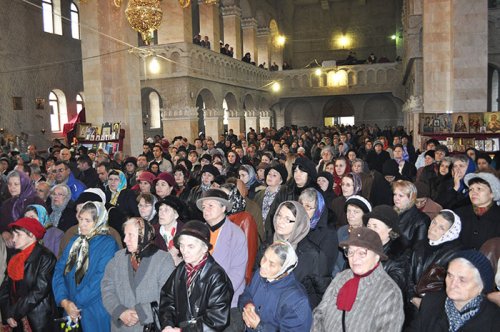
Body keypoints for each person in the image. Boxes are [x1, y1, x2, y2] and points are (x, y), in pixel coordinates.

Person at [312, 227, 404, 331]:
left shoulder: (390, 292)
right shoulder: (341, 278)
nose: (354, 258)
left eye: (362, 253)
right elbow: (319, 313)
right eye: (350, 252)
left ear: (377, 256)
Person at [53, 201, 119, 332]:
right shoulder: (75, 241)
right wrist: (64, 301)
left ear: (99, 220)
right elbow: (59, 270)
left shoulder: (108, 244)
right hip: (70, 308)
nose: (82, 224)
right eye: (80, 219)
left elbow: (100, 278)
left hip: (94, 309)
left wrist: (75, 303)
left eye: (87, 221)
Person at [101, 217, 175, 332]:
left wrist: (140, 313)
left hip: (148, 326)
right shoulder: (118, 258)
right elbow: (107, 288)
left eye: (131, 235)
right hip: (121, 326)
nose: (125, 240)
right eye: (125, 235)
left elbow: (167, 296)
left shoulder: (163, 259)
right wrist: (119, 311)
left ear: (144, 235)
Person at [159, 220, 234, 331]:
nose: (184, 251)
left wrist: (183, 331)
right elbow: (167, 298)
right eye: (182, 245)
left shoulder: (217, 277)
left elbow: (216, 319)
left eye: (191, 246)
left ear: (204, 248)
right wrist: (168, 324)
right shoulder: (181, 269)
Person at [409, 250, 500, 331]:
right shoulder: (431, 302)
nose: (453, 284)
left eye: (462, 279)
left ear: (481, 287)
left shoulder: (494, 320)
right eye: (450, 276)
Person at [196, 189, 247, 327]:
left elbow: (237, 273)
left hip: (228, 302)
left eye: (210, 205)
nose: (206, 210)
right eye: (204, 207)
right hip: (200, 301)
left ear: (223, 207)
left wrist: (215, 295)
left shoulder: (236, 234)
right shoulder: (198, 232)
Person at [239, 241, 312, 331]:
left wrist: (259, 327)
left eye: (272, 264)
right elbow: (246, 294)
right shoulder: (259, 274)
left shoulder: (297, 301)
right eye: (264, 258)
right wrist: (248, 303)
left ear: (284, 271)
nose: (263, 265)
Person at [0, 217, 57, 331]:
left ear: (31, 235)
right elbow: (5, 288)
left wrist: (14, 312)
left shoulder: (45, 257)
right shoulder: (15, 257)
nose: (13, 239)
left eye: (18, 235)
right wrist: (8, 314)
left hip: (38, 317)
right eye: (13, 234)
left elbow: (39, 291)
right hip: (17, 319)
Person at [456, 172, 500, 250]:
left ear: (492, 193)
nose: (473, 192)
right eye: (471, 189)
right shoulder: (459, 213)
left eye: (479, 189)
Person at [393, 180, 430, 248]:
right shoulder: (390, 211)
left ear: (411, 198)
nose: (396, 198)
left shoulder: (422, 220)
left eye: (401, 196)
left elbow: (418, 250)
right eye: (395, 194)